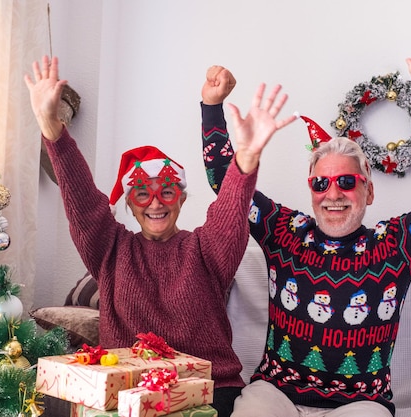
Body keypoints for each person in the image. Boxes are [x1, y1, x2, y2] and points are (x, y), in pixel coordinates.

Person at [200, 46, 411, 417]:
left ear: (369, 189)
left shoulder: (397, 243)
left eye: (347, 181)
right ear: (311, 190)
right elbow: (225, 182)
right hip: (275, 395)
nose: (332, 194)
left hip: (362, 405)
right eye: (321, 184)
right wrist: (211, 106)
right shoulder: (284, 232)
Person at [25, 55, 295, 417]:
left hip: (207, 392)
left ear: (181, 198)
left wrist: (245, 159)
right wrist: (53, 131)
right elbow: (84, 203)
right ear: (130, 206)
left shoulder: (205, 248)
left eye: (166, 191)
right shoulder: (112, 249)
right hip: (128, 392)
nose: (155, 203)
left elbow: (230, 213)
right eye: (142, 194)